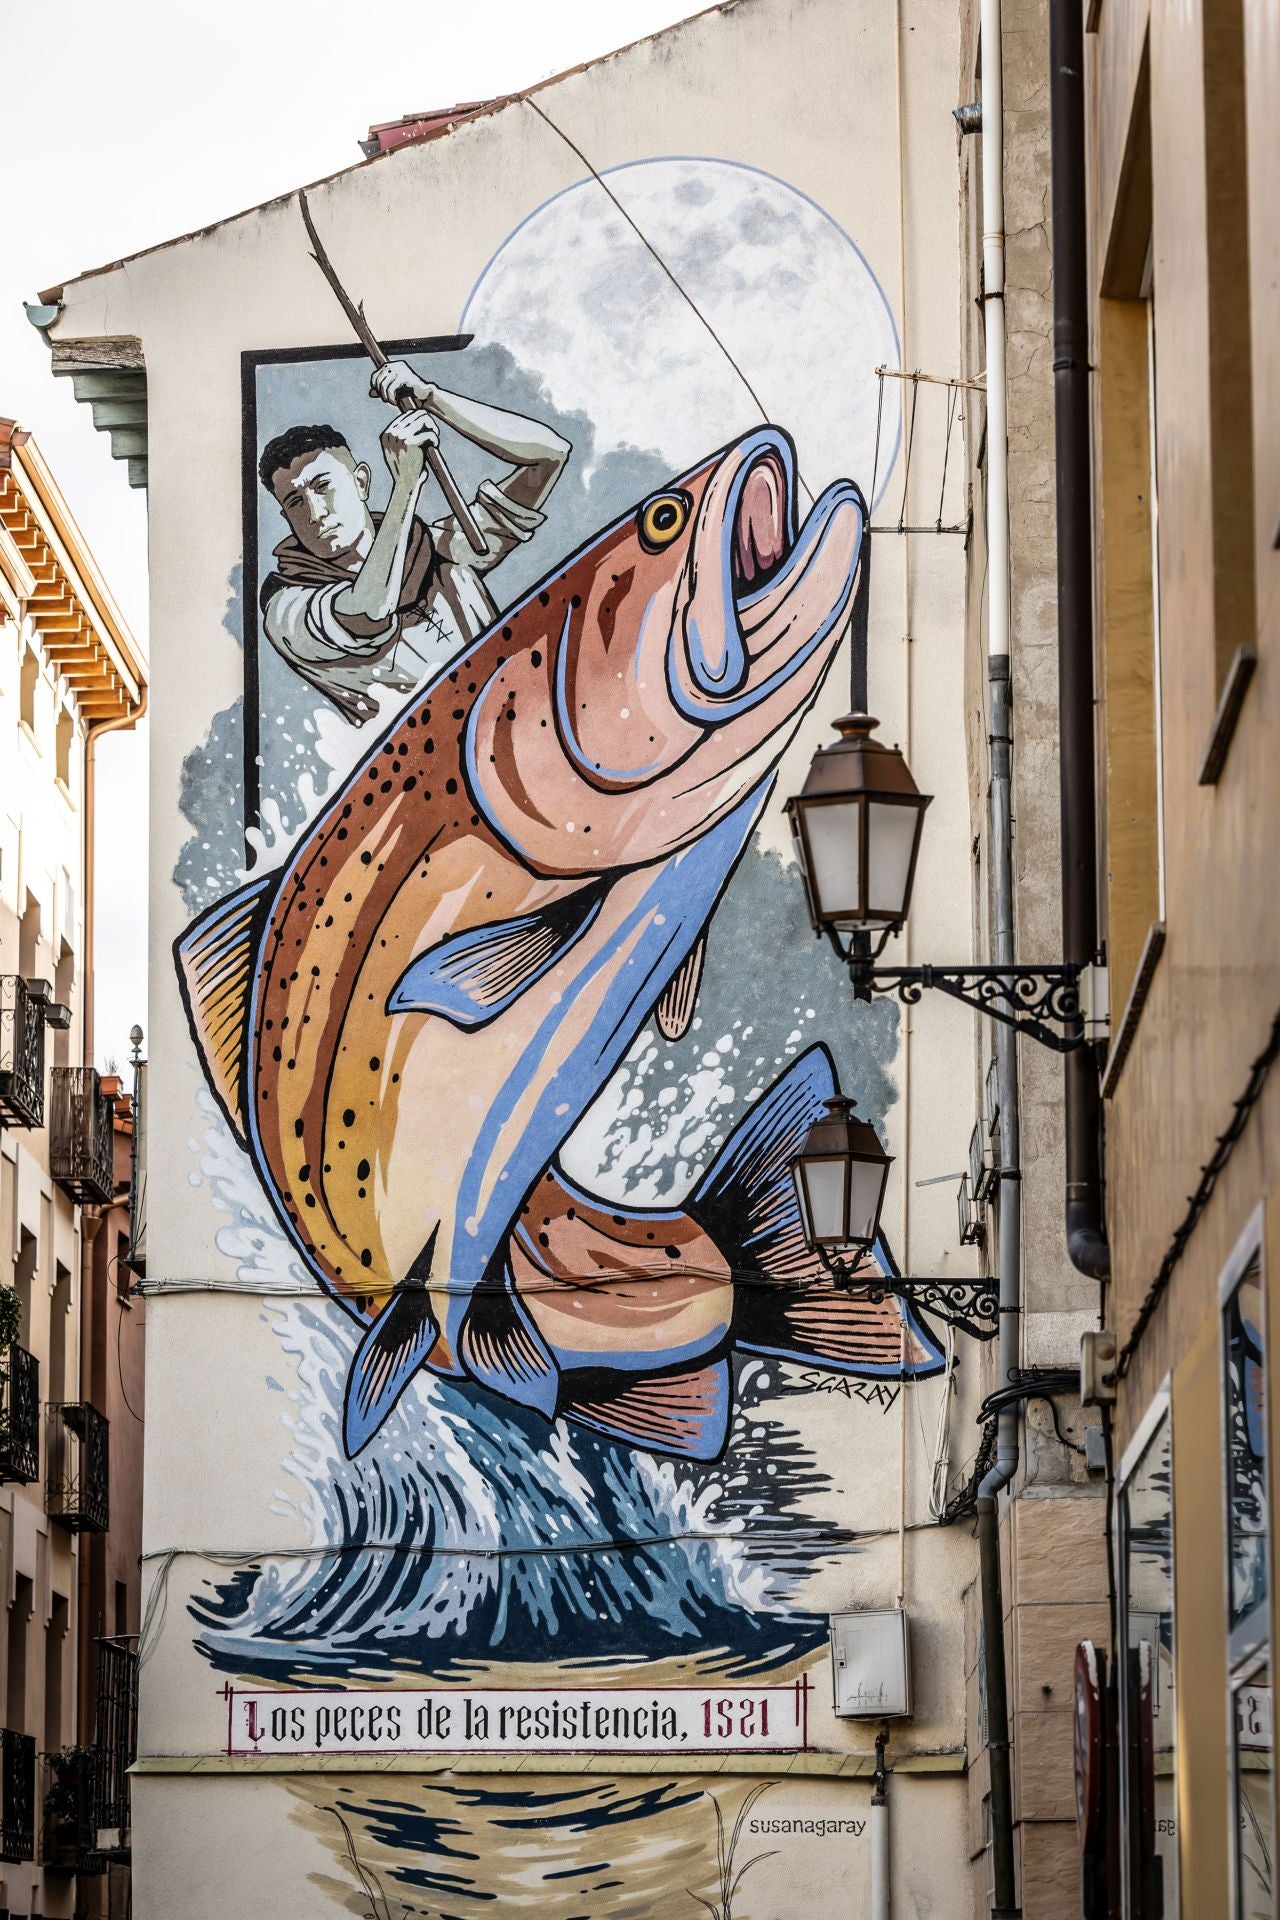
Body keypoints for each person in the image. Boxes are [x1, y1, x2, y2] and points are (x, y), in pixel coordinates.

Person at [258, 362, 569, 723]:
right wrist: (406, 486)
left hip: (525, 724)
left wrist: (430, 396)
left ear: (360, 482)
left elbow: (549, 456)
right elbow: (367, 612)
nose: (313, 512)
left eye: (323, 486)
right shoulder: (286, 607)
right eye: (294, 502)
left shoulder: (435, 547)